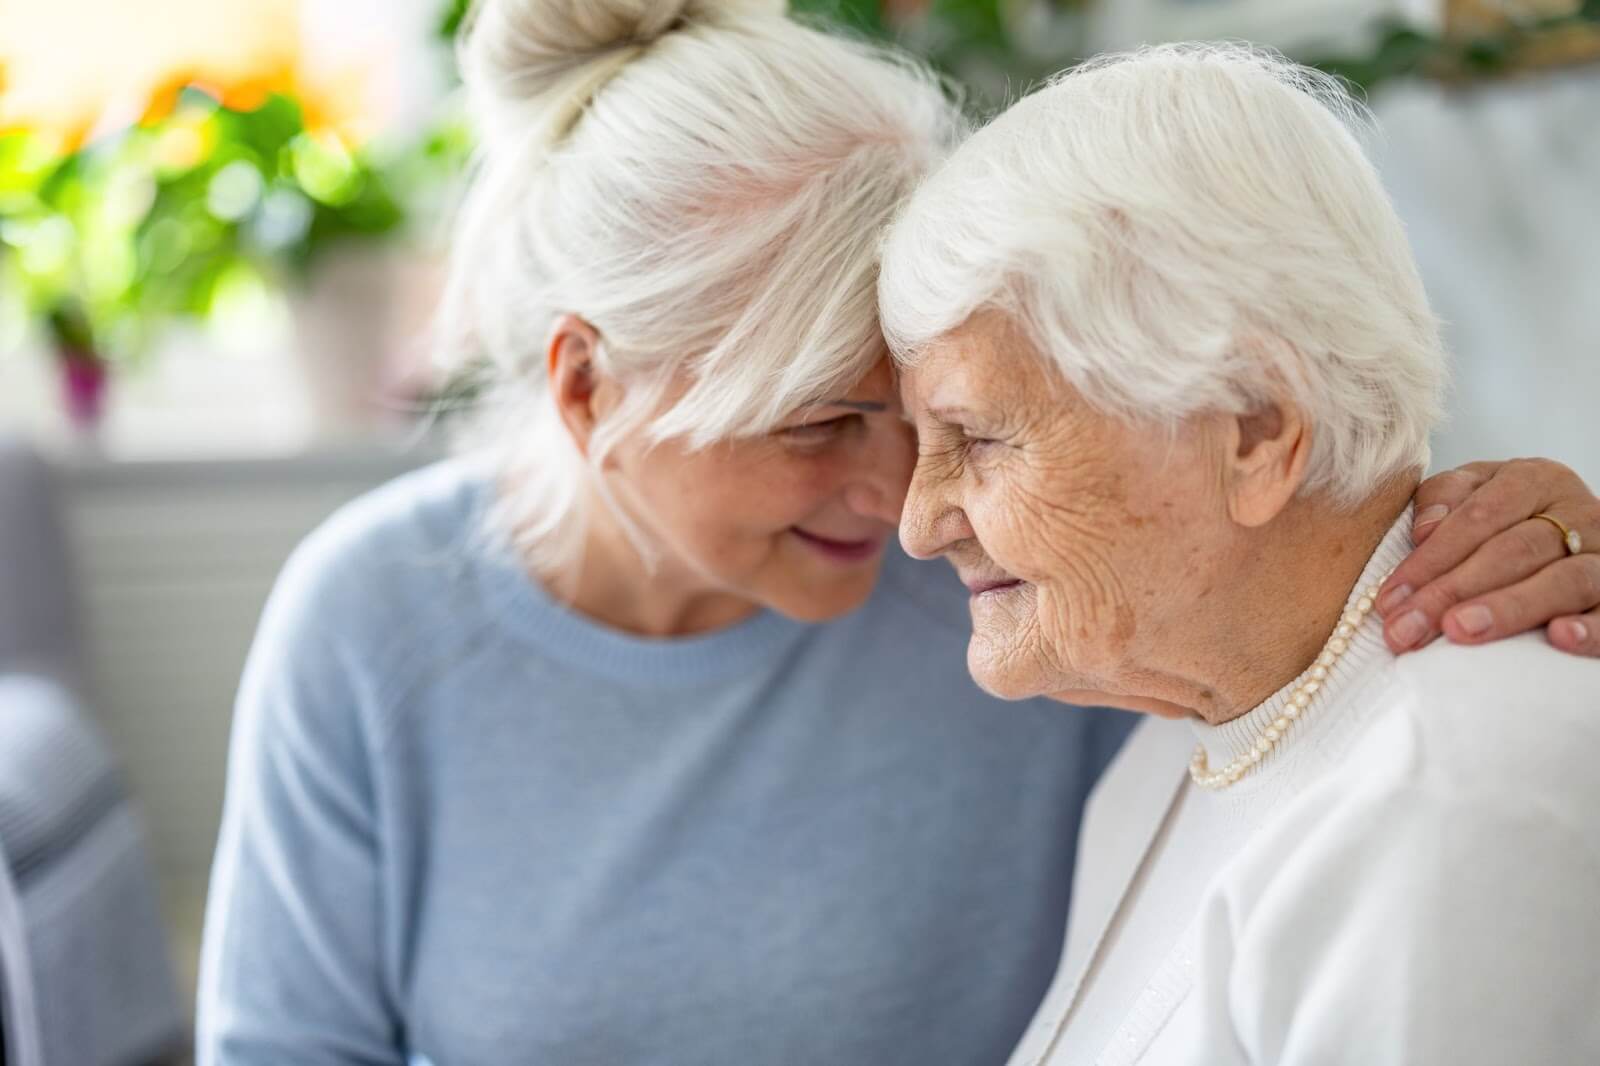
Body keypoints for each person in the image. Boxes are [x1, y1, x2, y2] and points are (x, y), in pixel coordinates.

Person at [197, 4, 1600, 1062]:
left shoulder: (1014, 599)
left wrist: (1493, 518)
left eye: (940, 420)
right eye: (817, 423)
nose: (901, 504)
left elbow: (1286, 589)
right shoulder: (372, 623)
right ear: (584, 387)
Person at [878, 42, 1600, 1066]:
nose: (919, 520)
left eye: (981, 437)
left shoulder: (1451, 805)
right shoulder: (1179, 735)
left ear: (1254, 432)